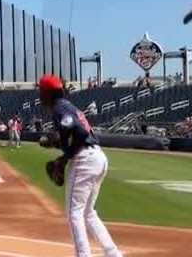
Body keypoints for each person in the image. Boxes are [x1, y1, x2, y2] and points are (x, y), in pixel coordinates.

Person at [39, 74, 123, 257]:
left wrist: (64, 157)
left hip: (85, 159)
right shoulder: (68, 106)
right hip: (98, 157)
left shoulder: (60, 108)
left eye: (41, 91)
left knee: (74, 213)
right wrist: (58, 144)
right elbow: (77, 132)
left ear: (47, 93)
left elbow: (78, 132)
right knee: (88, 213)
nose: (40, 95)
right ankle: (113, 253)